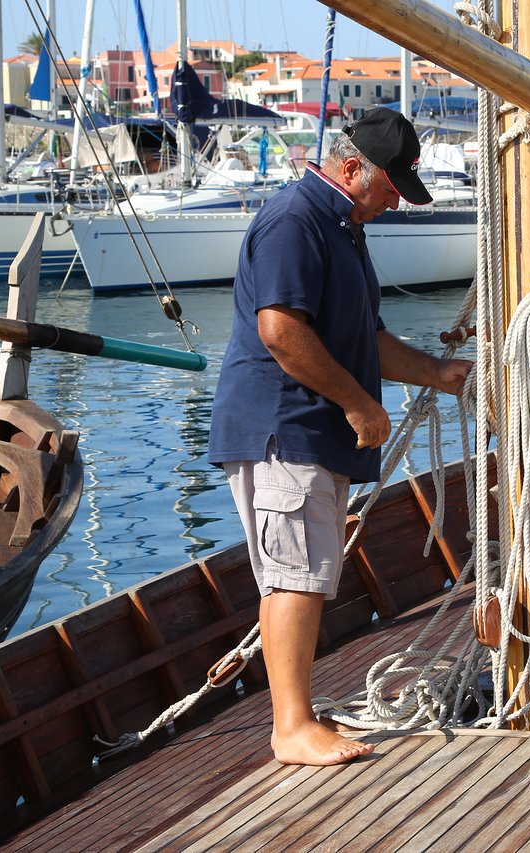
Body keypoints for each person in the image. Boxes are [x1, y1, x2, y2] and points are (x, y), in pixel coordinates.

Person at [208, 108, 472, 767]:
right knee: (295, 574)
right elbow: (280, 330)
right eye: (389, 187)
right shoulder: (295, 220)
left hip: (306, 431)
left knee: (306, 569)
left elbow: (369, 340)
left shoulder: (344, 227)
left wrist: (445, 375)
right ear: (351, 168)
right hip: (282, 427)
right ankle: (290, 727)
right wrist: (357, 404)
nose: (394, 201)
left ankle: (298, 713)